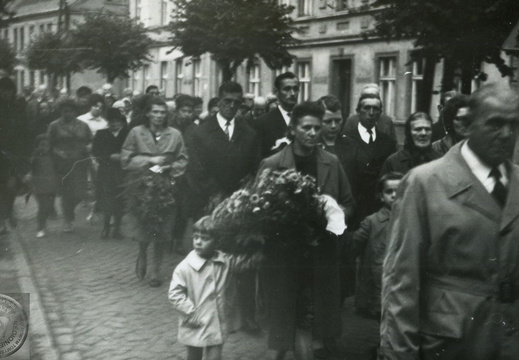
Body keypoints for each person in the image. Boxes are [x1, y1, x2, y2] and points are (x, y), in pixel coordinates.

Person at [380, 82, 519, 360]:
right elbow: (401, 282)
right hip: (449, 345)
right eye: (495, 124)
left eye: (514, 124)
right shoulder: (425, 183)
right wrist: (399, 354)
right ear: (466, 126)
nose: (506, 134)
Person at [258, 101, 354, 360]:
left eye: (317, 128)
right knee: (282, 317)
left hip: (321, 251)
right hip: (284, 253)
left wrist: (333, 213)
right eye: (306, 128)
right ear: (293, 129)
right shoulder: (273, 163)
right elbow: (256, 210)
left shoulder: (331, 163)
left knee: (314, 315)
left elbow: (348, 202)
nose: (313, 133)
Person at [168, 216, 261, 360]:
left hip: (216, 320)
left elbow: (243, 264)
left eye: (205, 238)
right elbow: (175, 294)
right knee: (193, 355)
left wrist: (257, 256)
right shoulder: (185, 267)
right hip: (195, 319)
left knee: (215, 354)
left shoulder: (225, 261)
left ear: (217, 241)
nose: (198, 242)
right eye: (196, 237)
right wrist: (190, 312)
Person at [121, 96, 187, 287]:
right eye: (155, 112)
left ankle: (155, 271)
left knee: (163, 229)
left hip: (166, 186)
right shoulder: (136, 132)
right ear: (148, 113)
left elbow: (183, 159)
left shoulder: (175, 134)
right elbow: (125, 159)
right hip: (141, 185)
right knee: (144, 226)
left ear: (167, 114)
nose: (159, 116)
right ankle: (142, 253)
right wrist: (148, 160)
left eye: (162, 112)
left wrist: (170, 167)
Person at [186, 81, 260, 218]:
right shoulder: (200, 133)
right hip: (207, 205)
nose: (232, 106)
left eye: (236, 102)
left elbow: (254, 170)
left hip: (239, 206)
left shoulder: (249, 134)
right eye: (227, 101)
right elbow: (196, 170)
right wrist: (216, 196)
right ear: (219, 101)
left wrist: (240, 196)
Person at [351, 171, 403, 319]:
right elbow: (352, 247)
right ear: (381, 196)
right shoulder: (371, 222)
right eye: (389, 192)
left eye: (399, 191)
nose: (394, 195)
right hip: (376, 291)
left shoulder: (415, 220)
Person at [341, 94, 397, 227]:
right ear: (358, 111)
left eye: (375, 109)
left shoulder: (388, 142)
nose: (371, 113)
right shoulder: (346, 139)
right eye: (366, 108)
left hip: (379, 209)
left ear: (380, 113)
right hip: (354, 208)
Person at [47, 98, 92, 232]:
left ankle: (70, 212)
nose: (68, 113)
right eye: (65, 111)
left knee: (80, 192)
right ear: (61, 111)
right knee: (66, 192)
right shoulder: (54, 125)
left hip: (80, 163)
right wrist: (58, 152)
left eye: (71, 111)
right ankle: (67, 219)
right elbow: (49, 144)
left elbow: (90, 140)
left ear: (75, 111)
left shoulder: (83, 125)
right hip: (63, 164)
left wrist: (88, 147)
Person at [92, 108, 129, 239]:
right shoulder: (101, 134)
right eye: (112, 122)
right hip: (106, 172)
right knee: (107, 199)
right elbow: (95, 151)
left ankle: (117, 228)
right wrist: (108, 157)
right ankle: (106, 227)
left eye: (117, 121)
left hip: (122, 171)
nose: (114, 124)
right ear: (108, 122)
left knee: (120, 199)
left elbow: (133, 151)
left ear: (122, 122)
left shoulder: (127, 134)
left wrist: (122, 156)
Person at [380, 112, 441, 176]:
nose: (423, 133)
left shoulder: (440, 160)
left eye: (427, 129)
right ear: (408, 133)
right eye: (418, 129)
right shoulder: (393, 162)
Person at [255, 72, 300, 157]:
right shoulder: (263, 122)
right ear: (276, 92)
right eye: (287, 89)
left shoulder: (304, 118)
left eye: (296, 89)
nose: (293, 93)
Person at [27, 134, 59, 238]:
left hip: (51, 185)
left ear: (49, 146)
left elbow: (57, 169)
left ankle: (44, 223)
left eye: (46, 145)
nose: (44, 147)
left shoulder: (53, 156)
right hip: (40, 186)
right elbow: (31, 171)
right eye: (41, 145)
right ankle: (41, 228)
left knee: (49, 206)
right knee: (42, 207)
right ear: (37, 146)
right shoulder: (34, 158)